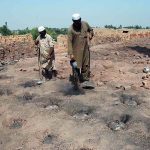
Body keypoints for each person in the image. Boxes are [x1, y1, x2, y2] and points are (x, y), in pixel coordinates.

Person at [68, 13, 94, 83]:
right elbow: (69, 42)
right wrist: (71, 54)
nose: (77, 23)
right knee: (76, 65)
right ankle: (76, 80)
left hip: (85, 49)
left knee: (85, 64)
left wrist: (91, 35)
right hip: (76, 51)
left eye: (78, 21)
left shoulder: (85, 24)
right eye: (75, 22)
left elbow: (91, 30)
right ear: (73, 21)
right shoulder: (70, 29)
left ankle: (85, 79)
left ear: (80, 20)